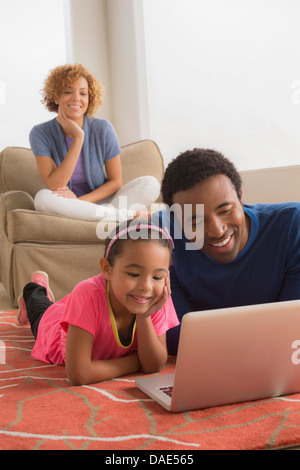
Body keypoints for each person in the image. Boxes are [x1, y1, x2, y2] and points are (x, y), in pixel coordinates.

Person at [152, 148, 300, 355]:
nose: (217, 230)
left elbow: (294, 328)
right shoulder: (162, 236)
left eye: (225, 210)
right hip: (212, 365)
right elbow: (173, 334)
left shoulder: (292, 225)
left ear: (240, 196)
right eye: (196, 221)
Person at [17, 221, 179, 385]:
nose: (146, 286)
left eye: (157, 277)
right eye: (134, 274)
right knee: (39, 310)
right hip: (55, 330)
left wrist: (144, 317)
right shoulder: (87, 293)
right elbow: (79, 375)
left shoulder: (155, 298)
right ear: (107, 269)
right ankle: (35, 288)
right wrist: (136, 362)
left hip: (83, 311)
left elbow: (153, 365)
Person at [29, 64, 160, 222]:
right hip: (62, 204)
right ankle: (127, 216)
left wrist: (80, 202)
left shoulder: (103, 128)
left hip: (99, 202)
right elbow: (55, 184)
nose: (76, 98)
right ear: (56, 97)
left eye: (83, 93)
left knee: (150, 183)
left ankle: (100, 215)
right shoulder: (40, 133)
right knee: (42, 198)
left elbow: (115, 182)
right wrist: (78, 138)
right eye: (68, 91)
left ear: (89, 99)